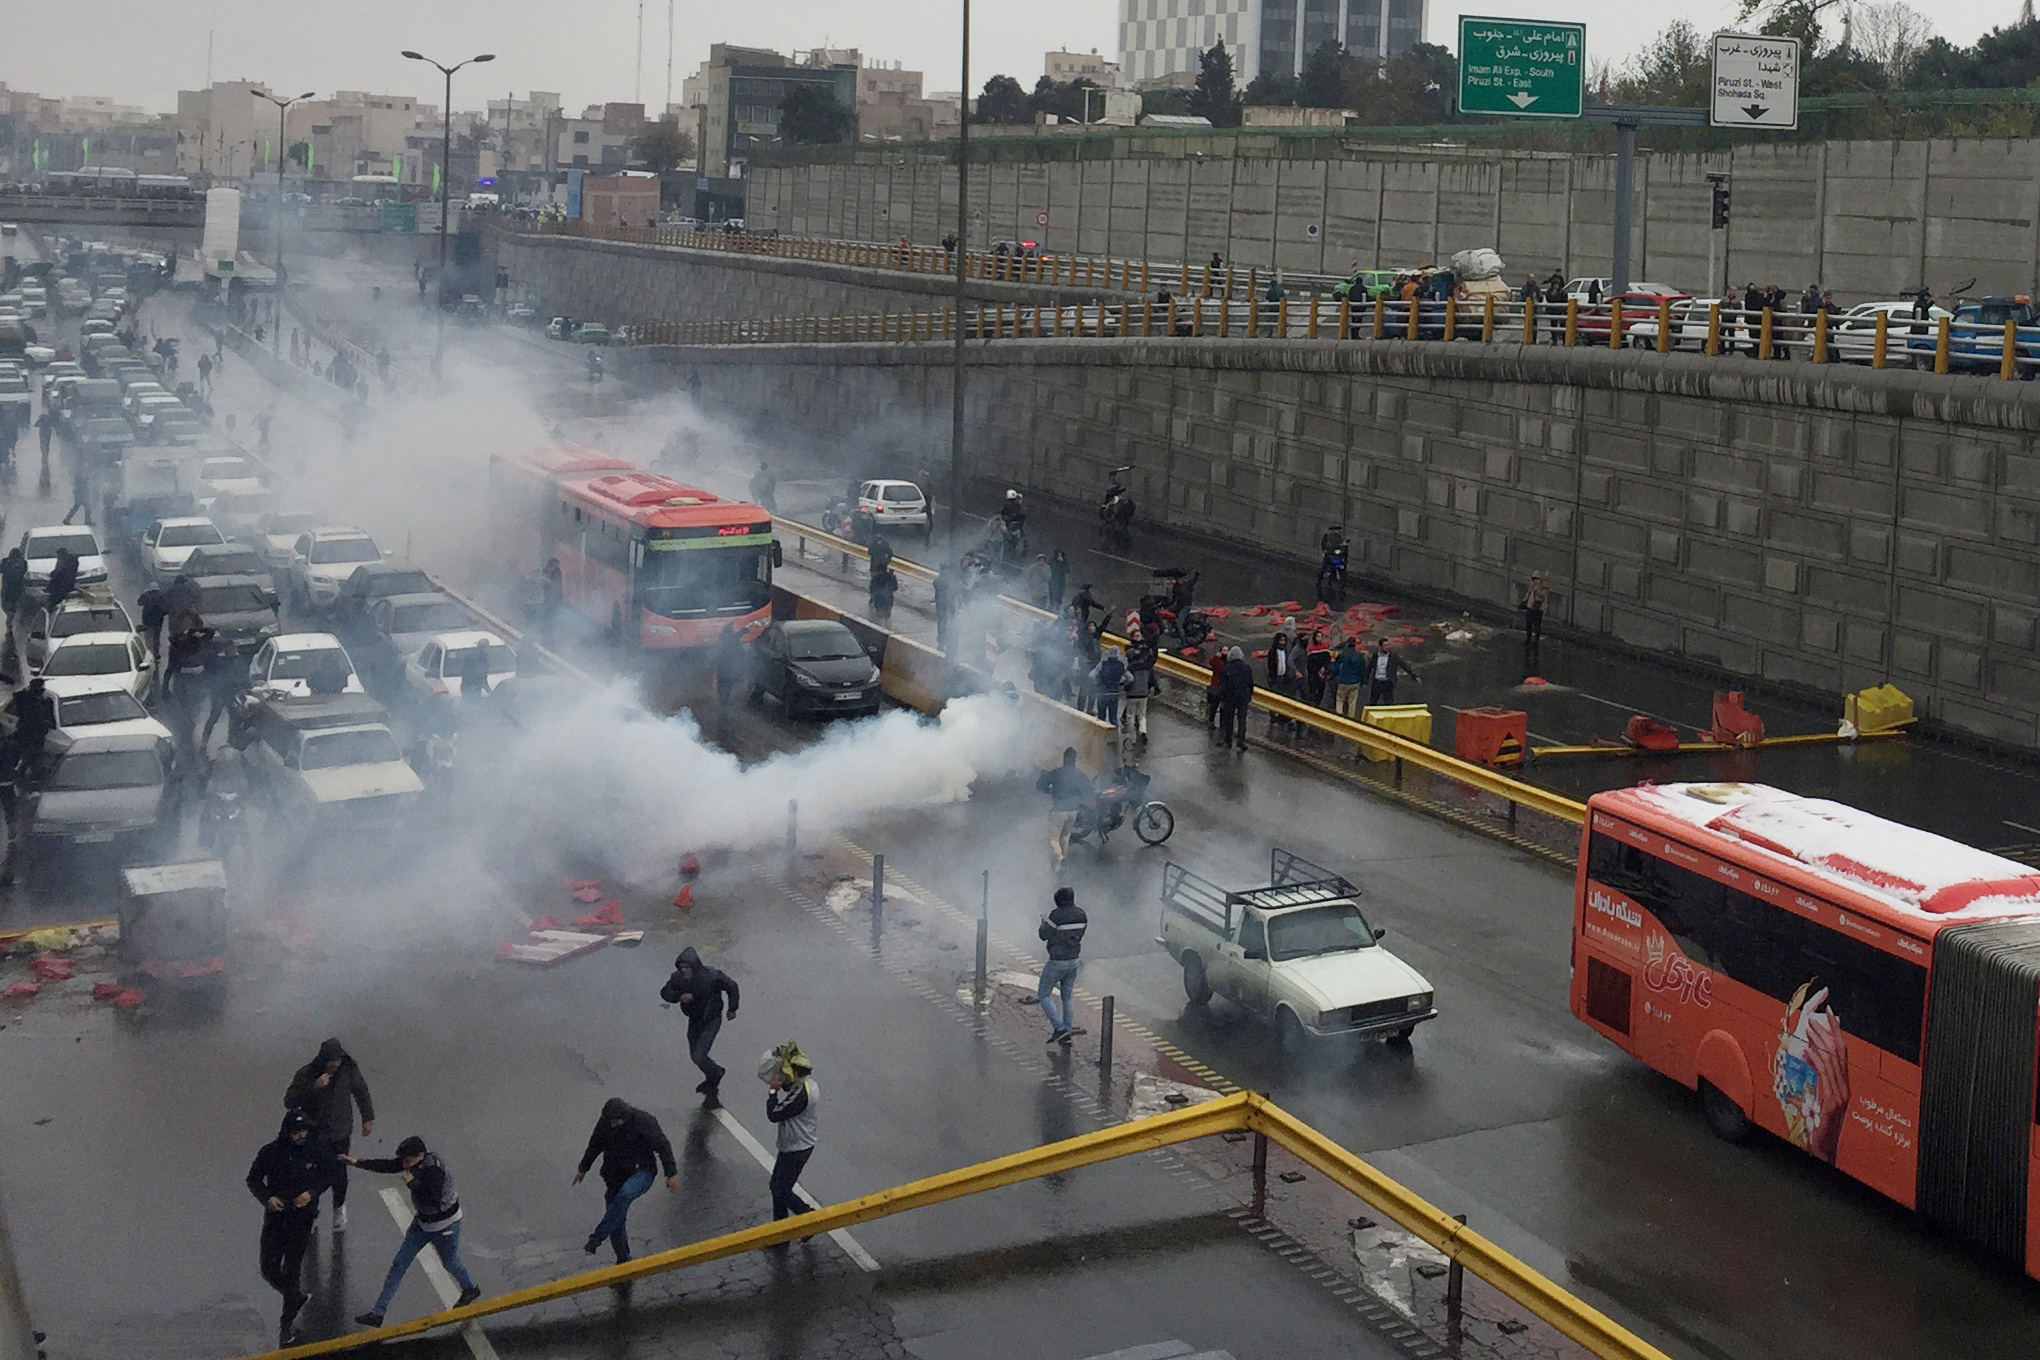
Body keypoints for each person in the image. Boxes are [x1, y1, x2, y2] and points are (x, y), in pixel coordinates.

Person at [348, 1136, 481, 1327]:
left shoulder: (434, 1170)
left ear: (419, 1155)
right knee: (399, 1264)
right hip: (422, 1223)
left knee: (450, 1261)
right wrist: (358, 1163)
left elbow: (432, 1198)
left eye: (407, 1160)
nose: (404, 1165)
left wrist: (412, 1184)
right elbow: (388, 1166)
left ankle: (470, 1288)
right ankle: (378, 1313)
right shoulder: (411, 1162)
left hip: (445, 1225)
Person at [246, 1110, 337, 1345]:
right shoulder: (269, 1153)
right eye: (296, 1132)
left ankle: (287, 1324)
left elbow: (330, 1173)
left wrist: (311, 1193)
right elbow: (253, 1179)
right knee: (268, 1268)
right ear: (287, 1132)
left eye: (303, 1131)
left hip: (302, 1219)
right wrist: (267, 1198)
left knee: (292, 1269)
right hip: (276, 1218)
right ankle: (294, 1296)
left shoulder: (314, 1151)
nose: (301, 1135)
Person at [284, 1038, 376, 1232]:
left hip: (340, 1132)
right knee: (311, 1173)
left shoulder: (349, 1070)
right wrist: (314, 1087)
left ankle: (339, 1206)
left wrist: (367, 1118)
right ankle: (311, 1210)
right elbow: (290, 1101)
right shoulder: (307, 1074)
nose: (335, 1064)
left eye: (338, 1060)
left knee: (339, 1172)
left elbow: (361, 1091)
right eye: (331, 1060)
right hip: (314, 1134)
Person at [574, 1098, 678, 1263]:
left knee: (625, 1195)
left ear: (626, 1117)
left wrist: (670, 1174)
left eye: (617, 1121)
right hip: (614, 1176)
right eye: (611, 1121)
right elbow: (594, 1145)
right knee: (616, 1217)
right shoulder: (605, 1123)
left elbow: (663, 1146)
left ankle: (596, 1238)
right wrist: (583, 1168)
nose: (613, 1125)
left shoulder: (644, 1121)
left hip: (642, 1172)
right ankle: (623, 1259)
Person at [661, 945, 740, 1104]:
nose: (685, 971)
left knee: (700, 1054)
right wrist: (679, 996)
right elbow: (665, 992)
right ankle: (714, 1073)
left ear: (695, 966)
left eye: (687, 967)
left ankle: (714, 1075)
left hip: (711, 1019)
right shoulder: (678, 978)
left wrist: (732, 1008)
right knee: (695, 1056)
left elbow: (732, 986)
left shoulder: (712, 976)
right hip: (694, 1020)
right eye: (682, 968)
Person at [761, 1041, 819, 1222]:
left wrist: (773, 1092)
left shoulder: (800, 1096)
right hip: (794, 1145)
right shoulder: (808, 1085)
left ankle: (808, 1217)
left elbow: (775, 1114)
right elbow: (789, 1088)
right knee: (776, 1187)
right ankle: (781, 1230)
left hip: (796, 1148)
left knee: (781, 1190)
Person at [1036, 886, 1088, 1045]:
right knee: (1067, 995)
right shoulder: (1081, 915)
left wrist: (1044, 924)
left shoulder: (1056, 916)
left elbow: (1043, 935)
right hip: (1074, 960)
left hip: (1057, 961)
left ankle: (1059, 1028)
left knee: (1043, 995)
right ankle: (1067, 1029)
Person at [1036, 746, 1092, 870]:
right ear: (1075, 760)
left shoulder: (1057, 773)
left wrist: (1049, 790)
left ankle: (1060, 858)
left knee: (1053, 838)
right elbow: (1087, 791)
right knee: (1065, 836)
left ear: (1064, 759)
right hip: (1073, 811)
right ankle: (1062, 862)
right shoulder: (1080, 774)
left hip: (1058, 811)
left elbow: (1041, 785)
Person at [1218, 646, 1256, 751]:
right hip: (1243, 697)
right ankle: (1241, 741)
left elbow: (1222, 685)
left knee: (1229, 719)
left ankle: (1228, 740)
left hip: (1230, 697)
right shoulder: (1247, 668)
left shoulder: (1226, 668)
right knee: (1242, 720)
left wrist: (1222, 698)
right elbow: (1251, 684)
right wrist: (1249, 695)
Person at [1122, 631, 1155, 742]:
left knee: (1130, 715)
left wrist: (1125, 687)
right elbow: (1152, 678)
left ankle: (1133, 738)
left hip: (1132, 693)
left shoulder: (1131, 667)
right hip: (1144, 692)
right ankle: (1143, 731)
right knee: (1142, 714)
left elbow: (1127, 679)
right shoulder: (1147, 666)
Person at [1367, 638, 1418, 707]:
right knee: (1373, 702)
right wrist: (1365, 679)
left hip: (1387, 682)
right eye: (1385, 645)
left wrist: (1414, 676)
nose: (1387, 647)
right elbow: (1369, 667)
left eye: (1388, 645)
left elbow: (1404, 666)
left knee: (1388, 703)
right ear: (1380, 647)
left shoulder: (1393, 656)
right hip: (1377, 682)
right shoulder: (1376, 655)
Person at [1092, 644, 1126, 730]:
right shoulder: (1121, 665)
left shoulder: (1103, 664)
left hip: (1102, 693)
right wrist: (1120, 683)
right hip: (1114, 693)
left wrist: (1097, 683)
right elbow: (1130, 678)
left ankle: (1099, 736)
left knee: (1101, 718)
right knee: (1113, 719)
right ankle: (1115, 738)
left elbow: (1092, 675)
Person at [1331, 637, 1367, 718]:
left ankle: (1339, 718)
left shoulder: (1342, 654)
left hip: (1343, 681)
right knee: (1352, 702)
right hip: (1355, 682)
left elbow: (1336, 667)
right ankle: (1350, 719)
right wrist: (1363, 681)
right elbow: (1362, 670)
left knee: (1340, 700)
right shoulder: (1359, 656)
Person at [711, 622, 745, 707]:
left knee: (722, 682)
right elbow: (739, 648)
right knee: (727, 683)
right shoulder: (732, 638)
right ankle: (724, 700)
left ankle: (722, 700)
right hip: (729, 665)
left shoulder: (722, 638)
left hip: (722, 666)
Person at [44, 547, 78, 612]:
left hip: (61, 586)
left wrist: (53, 574)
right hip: (64, 585)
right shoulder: (66, 561)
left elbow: (60, 573)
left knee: (54, 601)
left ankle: (52, 611)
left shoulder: (66, 561)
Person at [1522, 571, 1550, 648]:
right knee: (1528, 624)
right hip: (1530, 606)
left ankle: (1536, 642)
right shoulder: (1532, 584)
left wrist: (1537, 590)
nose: (1535, 580)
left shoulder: (1544, 585)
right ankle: (1528, 639)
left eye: (1536, 578)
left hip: (1539, 608)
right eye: (1533, 578)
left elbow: (1543, 595)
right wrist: (1524, 601)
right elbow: (1528, 593)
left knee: (1537, 625)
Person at [0, 546, 26, 617]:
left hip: (7, 587)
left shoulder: (6, 561)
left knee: (6, 605)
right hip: (18, 588)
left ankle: (10, 618)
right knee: (17, 604)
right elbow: (24, 571)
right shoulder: (23, 562)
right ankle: (14, 617)